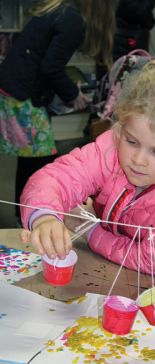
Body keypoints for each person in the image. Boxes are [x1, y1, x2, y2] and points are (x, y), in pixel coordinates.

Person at [20, 55, 155, 276]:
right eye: (131, 141)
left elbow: (153, 263)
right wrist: (44, 216)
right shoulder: (113, 148)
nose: (138, 159)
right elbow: (56, 177)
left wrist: (90, 230)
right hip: (116, 266)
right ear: (121, 127)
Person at [0, 0, 117, 223]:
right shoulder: (72, 19)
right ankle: (33, 216)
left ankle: (24, 214)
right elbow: (51, 67)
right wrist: (73, 94)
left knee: (31, 159)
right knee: (42, 161)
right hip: (21, 93)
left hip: (13, 88)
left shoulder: (59, 9)